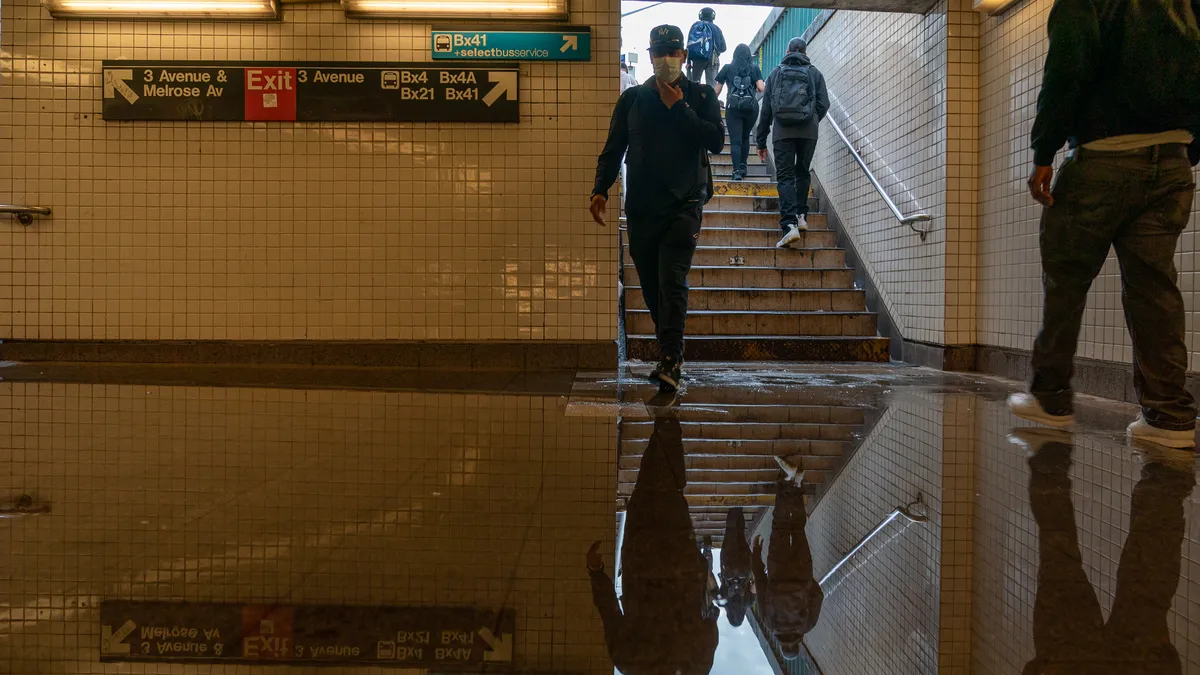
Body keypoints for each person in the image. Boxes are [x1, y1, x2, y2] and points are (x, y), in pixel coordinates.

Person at [1006, 0, 1200, 448]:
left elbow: (1066, 73)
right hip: (1172, 162)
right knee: (1154, 287)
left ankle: (1051, 398)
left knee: (1066, 278)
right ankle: (1170, 417)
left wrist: (1043, 153)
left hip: (1104, 157)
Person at [590, 24, 725, 391]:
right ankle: (669, 347)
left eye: (672, 51)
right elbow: (613, 147)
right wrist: (600, 189)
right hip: (642, 207)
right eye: (658, 52)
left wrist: (678, 106)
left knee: (671, 278)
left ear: (683, 55)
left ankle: (670, 356)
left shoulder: (699, 95)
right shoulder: (632, 99)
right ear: (650, 57)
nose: (665, 58)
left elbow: (715, 140)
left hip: (685, 204)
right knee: (650, 284)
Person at [1011, 428, 1194, 674]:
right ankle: (1049, 459)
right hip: (1067, 664)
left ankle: (1163, 475)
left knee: (1145, 589)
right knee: (1059, 559)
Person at [586, 412, 720, 675]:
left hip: (680, 563)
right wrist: (596, 574)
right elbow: (609, 610)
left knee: (671, 492)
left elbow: (710, 627)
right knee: (649, 490)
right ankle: (665, 421)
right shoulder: (630, 663)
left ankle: (667, 420)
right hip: (642, 558)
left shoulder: (698, 666)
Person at [757, 38, 829, 249]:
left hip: (783, 133)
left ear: (787, 51)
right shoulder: (815, 73)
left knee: (786, 177)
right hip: (808, 132)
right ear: (805, 52)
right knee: (802, 172)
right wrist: (812, 119)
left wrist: (761, 141)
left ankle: (789, 226)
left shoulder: (776, 73)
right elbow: (824, 103)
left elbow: (766, 111)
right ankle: (800, 216)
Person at [752, 456, 823, 661]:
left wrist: (807, 582)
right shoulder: (770, 622)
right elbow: (760, 584)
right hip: (778, 569)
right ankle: (787, 479)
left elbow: (818, 596)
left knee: (798, 528)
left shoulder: (807, 625)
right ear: (782, 645)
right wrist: (756, 556)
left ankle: (798, 482)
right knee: (781, 526)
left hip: (802, 570)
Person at [714, 45, 766, 181]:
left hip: (733, 109)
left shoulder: (727, 68)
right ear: (749, 55)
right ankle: (743, 165)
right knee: (745, 137)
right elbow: (761, 88)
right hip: (751, 109)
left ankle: (736, 171)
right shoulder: (754, 68)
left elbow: (716, 91)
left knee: (735, 141)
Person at [716, 507, 756, 628]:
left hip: (744, 567)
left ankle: (739, 511)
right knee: (730, 534)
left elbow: (755, 585)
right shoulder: (723, 602)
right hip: (727, 566)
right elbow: (712, 585)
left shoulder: (748, 602)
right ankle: (733, 510)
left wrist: (753, 572)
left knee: (740, 536)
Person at [686, 7, 726, 87]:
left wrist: (688, 62)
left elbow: (689, 45)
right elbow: (723, 48)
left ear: (701, 15)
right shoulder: (717, 29)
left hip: (697, 59)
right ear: (713, 16)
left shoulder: (696, 26)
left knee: (694, 84)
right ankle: (711, 99)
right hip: (713, 59)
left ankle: (694, 99)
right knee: (711, 87)